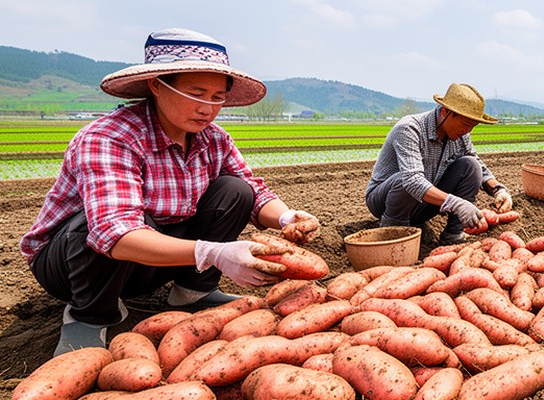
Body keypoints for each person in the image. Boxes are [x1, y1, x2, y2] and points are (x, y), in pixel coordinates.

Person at [19, 28, 322, 355]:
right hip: (74, 266)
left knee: (235, 190)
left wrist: (287, 217)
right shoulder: (110, 137)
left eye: (217, 97)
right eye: (197, 93)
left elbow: (254, 190)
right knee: (99, 224)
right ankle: (89, 316)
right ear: (157, 86)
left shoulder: (213, 138)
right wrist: (213, 253)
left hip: (149, 263)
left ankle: (194, 292)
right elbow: (115, 233)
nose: (207, 108)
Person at [365, 83, 513, 243]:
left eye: (472, 127)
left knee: (471, 166)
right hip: (385, 202)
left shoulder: (460, 135)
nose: (468, 131)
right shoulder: (409, 129)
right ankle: (393, 236)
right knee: (406, 179)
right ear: (446, 112)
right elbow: (412, 181)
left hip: (424, 203)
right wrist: (456, 204)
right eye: (465, 124)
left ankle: (453, 235)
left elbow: (477, 163)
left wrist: (499, 190)